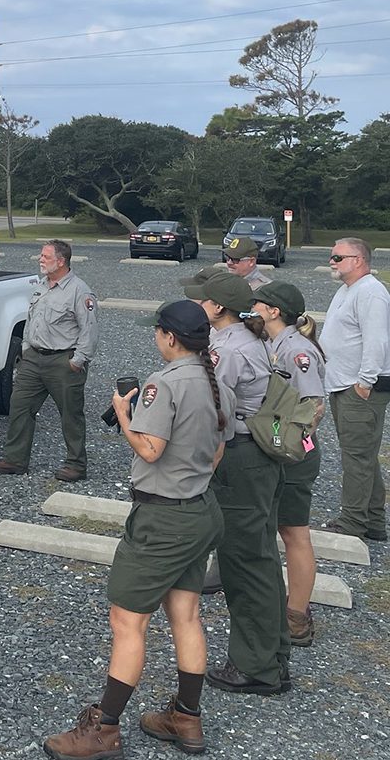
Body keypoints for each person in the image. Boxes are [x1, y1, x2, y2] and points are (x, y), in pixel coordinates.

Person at [44, 300, 234, 760]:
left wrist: (123, 415)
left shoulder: (162, 384)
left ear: (170, 337)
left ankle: (104, 730)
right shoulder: (217, 384)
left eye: (158, 332)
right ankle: (187, 717)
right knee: (186, 615)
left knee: (128, 622)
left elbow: (150, 450)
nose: (155, 338)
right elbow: (216, 455)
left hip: (162, 519)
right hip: (200, 511)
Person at [183, 272, 291, 695]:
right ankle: (273, 655)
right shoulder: (254, 338)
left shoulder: (226, 349)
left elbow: (211, 408)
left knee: (243, 564)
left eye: (202, 301)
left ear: (216, 308)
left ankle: (255, 666)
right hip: (262, 456)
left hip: (241, 458)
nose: (197, 306)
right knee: (263, 558)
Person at [251, 281, 327, 647]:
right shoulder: (271, 344)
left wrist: (282, 440)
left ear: (274, 311)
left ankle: (297, 616)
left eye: (258, 305)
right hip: (276, 450)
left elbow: (314, 406)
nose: (253, 309)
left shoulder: (298, 351)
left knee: (294, 533)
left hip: (294, 455)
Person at [0, 239, 98, 481]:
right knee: (20, 406)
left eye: (45, 256)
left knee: (70, 414)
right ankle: (15, 460)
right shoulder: (41, 286)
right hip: (33, 359)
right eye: (41, 255)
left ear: (61, 261)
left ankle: (76, 465)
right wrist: (26, 347)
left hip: (63, 361)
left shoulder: (80, 291)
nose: (40, 259)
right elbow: (31, 318)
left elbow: (89, 330)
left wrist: (77, 361)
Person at [317, 238, 390, 542]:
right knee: (363, 454)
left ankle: (352, 522)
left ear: (358, 259)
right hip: (343, 382)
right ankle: (373, 521)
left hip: (359, 387)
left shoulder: (372, 293)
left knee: (356, 457)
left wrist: (365, 381)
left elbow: (378, 340)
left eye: (337, 257)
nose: (332, 262)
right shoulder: (348, 289)